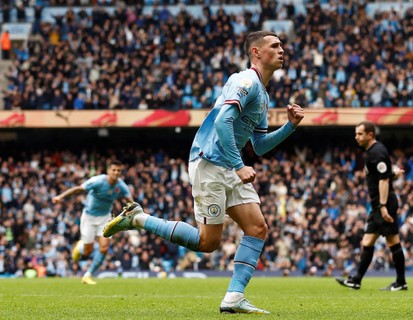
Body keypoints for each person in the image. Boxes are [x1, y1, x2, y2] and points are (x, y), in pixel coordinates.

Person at [103, 31, 304, 313]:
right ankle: (139, 218)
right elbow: (223, 122)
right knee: (207, 242)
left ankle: (234, 297)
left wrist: (290, 127)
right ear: (256, 52)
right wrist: (238, 166)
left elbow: (259, 146)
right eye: (275, 45)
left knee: (257, 228)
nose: (282, 49)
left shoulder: (263, 95)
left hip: (229, 166)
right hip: (210, 162)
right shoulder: (244, 81)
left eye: (282, 45)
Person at [336, 121, 408, 291]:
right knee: (367, 241)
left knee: (393, 241)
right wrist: (393, 174)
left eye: (360, 134)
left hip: (384, 203)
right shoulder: (373, 152)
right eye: (356, 133)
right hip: (378, 204)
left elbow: (383, 181)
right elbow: (384, 175)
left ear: (370, 134)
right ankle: (356, 280)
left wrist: (382, 207)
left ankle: (401, 282)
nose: (356, 137)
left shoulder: (376, 152)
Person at [52, 160, 133, 285]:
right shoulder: (98, 181)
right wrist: (60, 197)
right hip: (89, 218)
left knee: (104, 248)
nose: (116, 173)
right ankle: (79, 247)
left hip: (105, 218)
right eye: (114, 170)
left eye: (119, 171)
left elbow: (130, 201)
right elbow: (79, 189)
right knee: (88, 250)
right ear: (108, 171)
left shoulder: (121, 186)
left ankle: (88, 275)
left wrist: (136, 212)